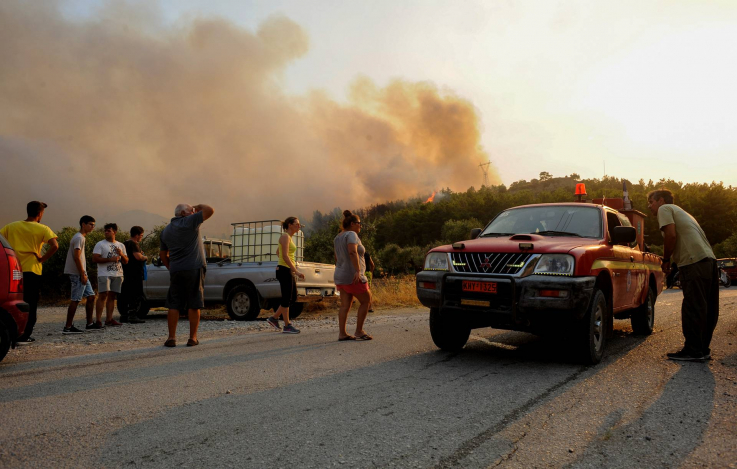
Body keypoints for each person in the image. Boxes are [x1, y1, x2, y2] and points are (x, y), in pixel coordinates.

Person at [647, 189, 718, 362]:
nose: (650, 207)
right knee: (706, 307)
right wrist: (674, 262)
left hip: (693, 262)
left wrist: (665, 260)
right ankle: (702, 349)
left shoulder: (665, 209)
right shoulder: (683, 212)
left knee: (693, 306)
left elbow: (671, 236)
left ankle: (693, 351)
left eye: (651, 202)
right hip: (709, 260)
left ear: (661, 200)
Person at [0, 201, 59, 344]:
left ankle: (10, 331)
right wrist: (42, 259)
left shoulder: (11, 226)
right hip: (32, 270)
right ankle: (24, 335)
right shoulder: (43, 228)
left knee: (13, 301)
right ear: (40, 214)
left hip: (13, 270)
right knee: (30, 303)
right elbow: (55, 245)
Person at [160, 203, 214, 347]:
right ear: (184, 213)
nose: (194, 212)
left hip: (176, 270)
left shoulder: (166, 230)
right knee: (194, 303)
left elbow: (162, 253)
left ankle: (171, 338)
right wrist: (198, 206)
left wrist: (170, 267)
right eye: (191, 211)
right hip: (194, 268)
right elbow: (210, 210)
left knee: (174, 303)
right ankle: (192, 338)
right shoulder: (190, 222)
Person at [333, 210, 372, 341]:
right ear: (352, 223)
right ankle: (359, 331)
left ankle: (342, 333)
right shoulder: (352, 235)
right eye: (359, 223)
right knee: (366, 301)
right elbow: (352, 252)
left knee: (345, 305)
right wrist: (357, 270)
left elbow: (336, 257)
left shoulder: (338, 237)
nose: (360, 226)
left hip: (340, 274)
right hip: (352, 275)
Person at [266, 217, 305, 334]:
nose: (299, 226)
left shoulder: (288, 238)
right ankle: (287, 325)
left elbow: (278, 252)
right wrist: (295, 270)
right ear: (289, 224)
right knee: (287, 298)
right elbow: (285, 255)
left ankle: (274, 318)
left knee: (292, 297)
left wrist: (287, 265)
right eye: (297, 224)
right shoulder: (285, 237)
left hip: (286, 269)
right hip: (284, 270)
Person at [62, 216, 97, 334]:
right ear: (83, 224)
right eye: (91, 224)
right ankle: (68, 327)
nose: (93, 227)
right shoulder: (79, 238)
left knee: (91, 296)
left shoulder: (81, 237)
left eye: (94, 225)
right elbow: (77, 257)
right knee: (76, 299)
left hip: (81, 272)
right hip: (78, 273)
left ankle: (90, 323)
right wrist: (82, 273)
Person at [92, 223, 128, 327]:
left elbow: (126, 261)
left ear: (114, 232)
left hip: (117, 273)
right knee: (103, 295)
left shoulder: (121, 245)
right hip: (104, 273)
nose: (106, 232)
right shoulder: (100, 244)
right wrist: (110, 259)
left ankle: (109, 319)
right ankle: (98, 320)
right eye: (105, 231)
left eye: (108, 231)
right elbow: (94, 259)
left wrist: (121, 254)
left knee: (112, 296)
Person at [120, 226, 147, 324]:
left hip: (126, 272)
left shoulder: (124, 243)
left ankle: (124, 315)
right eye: (141, 235)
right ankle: (133, 315)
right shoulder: (134, 244)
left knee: (125, 294)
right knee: (136, 294)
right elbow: (138, 257)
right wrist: (145, 257)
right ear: (136, 235)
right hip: (135, 273)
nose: (141, 237)